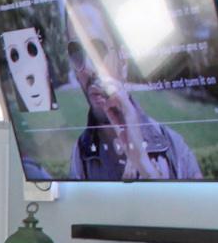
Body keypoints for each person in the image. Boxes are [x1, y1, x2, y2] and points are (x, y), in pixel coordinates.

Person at [68, 73, 204, 181]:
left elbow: (201, 209)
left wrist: (147, 169)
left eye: (99, 51)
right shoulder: (80, 152)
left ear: (123, 66)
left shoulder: (171, 142)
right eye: (81, 57)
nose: (93, 71)